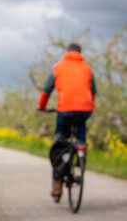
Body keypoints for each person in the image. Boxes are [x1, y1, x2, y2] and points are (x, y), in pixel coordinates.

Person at [37, 43, 97, 197]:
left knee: (60, 143)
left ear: (67, 52)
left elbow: (45, 91)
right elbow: (93, 92)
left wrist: (42, 107)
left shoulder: (58, 67)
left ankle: (57, 181)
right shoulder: (87, 68)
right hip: (85, 110)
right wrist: (89, 106)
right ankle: (81, 152)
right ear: (80, 53)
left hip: (64, 111)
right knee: (80, 132)